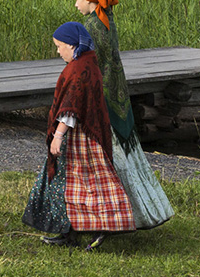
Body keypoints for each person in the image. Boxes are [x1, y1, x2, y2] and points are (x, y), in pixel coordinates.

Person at [73, 0, 174, 229]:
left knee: (108, 156)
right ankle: (146, 210)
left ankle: (116, 217)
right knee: (127, 155)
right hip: (117, 91)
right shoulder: (107, 21)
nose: (75, 4)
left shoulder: (91, 26)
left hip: (103, 96)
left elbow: (87, 65)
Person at [23, 22, 135, 250]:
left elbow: (71, 107)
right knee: (74, 184)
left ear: (72, 45)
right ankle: (69, 232)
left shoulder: (79, 70)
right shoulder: (87, 62)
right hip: (87, 134)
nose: (57, 51)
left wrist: (58, 135)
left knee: (85, 183)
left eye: (59, 46)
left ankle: (101, 228)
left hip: (81, 139)